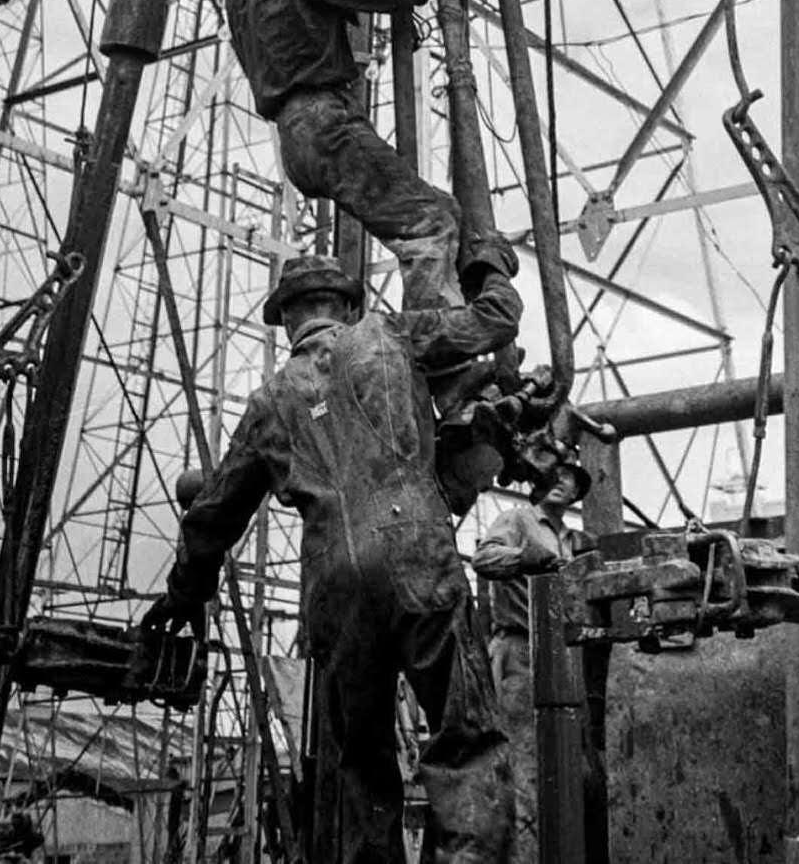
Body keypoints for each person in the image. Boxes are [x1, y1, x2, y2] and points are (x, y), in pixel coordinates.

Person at [144, 252, 519, 864]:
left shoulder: (269, 402)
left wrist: (183, 595)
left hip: (335, 588)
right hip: (419, 557)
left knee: (362, 768)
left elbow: (212, 516)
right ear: (348, 306)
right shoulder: (391, 335)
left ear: (286, 320)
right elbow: (496, 320)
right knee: (466, 739)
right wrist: (489, 263)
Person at [227, 0, 514, 312]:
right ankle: (442, 351)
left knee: (429, 210)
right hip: (326, 123)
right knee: (431, 220)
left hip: (293, 141)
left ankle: (453, 323)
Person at [472, 449, 591, 864]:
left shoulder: (571, 540)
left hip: (561, 655)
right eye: (553, 473)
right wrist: (523, 557)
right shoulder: (518, 520)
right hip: (521, 650)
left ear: (579, 490)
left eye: (570, 476)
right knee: (524, 766)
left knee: (563, 765)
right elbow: (484, 557)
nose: (561, 481)